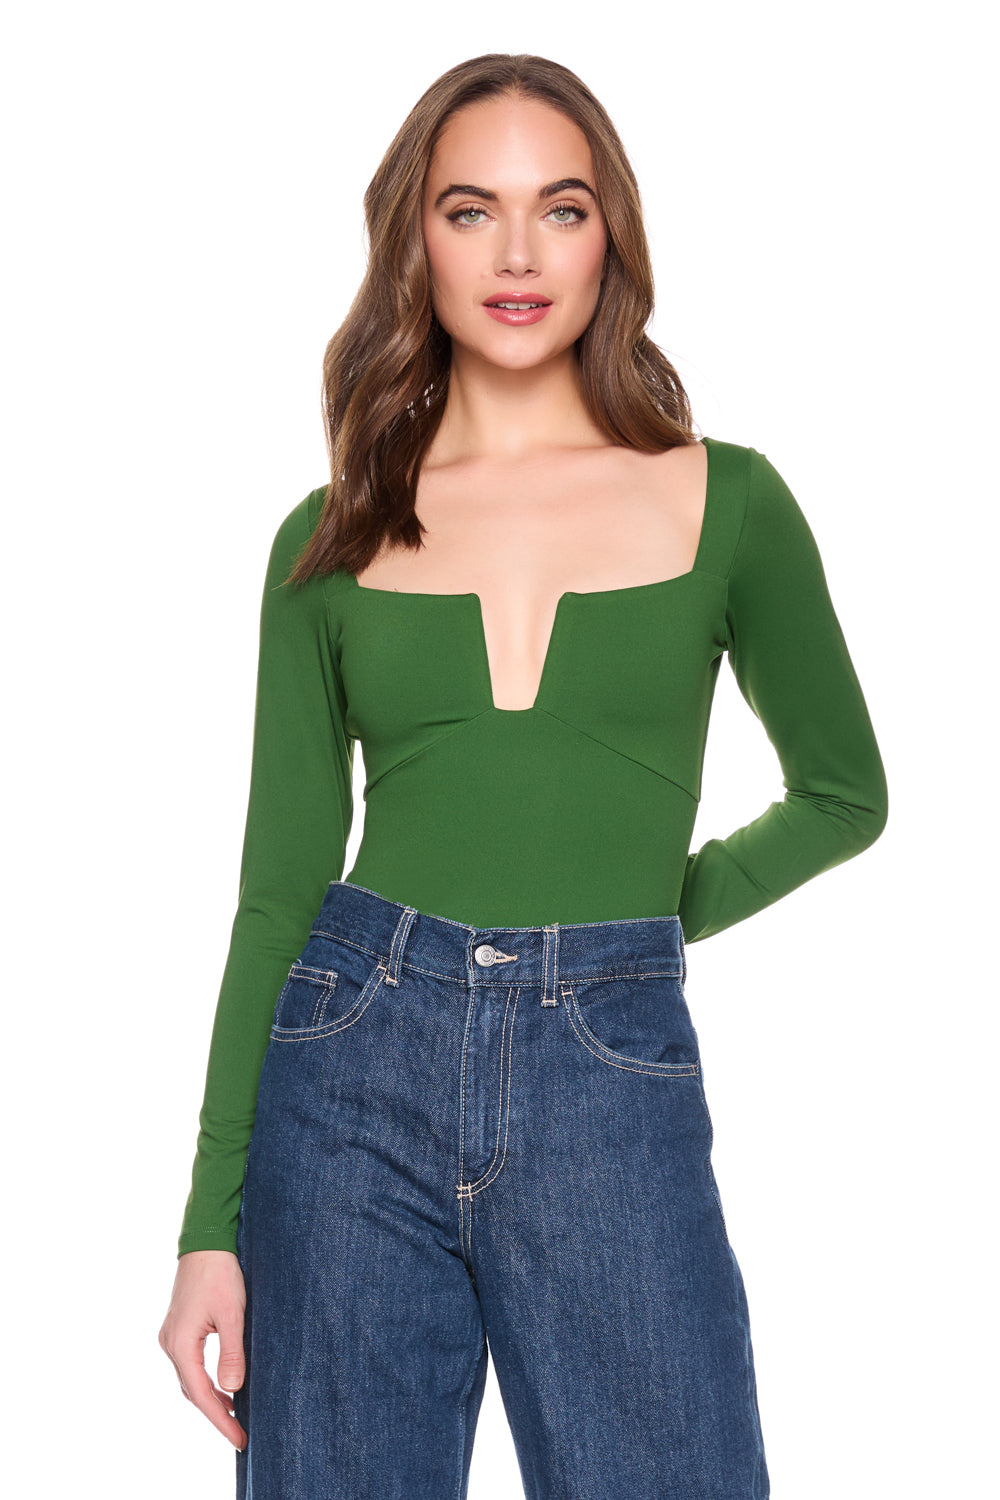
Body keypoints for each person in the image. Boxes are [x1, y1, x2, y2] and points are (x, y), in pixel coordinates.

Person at [158, 53, 888, 1500]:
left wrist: (649, 918)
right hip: (349, 1064)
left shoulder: (728, 501)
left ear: (610, 234)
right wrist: (206, 1225)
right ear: (414, 239)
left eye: (559, 208)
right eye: (469, 210)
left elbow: (844, 795)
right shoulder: (330, 535)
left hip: (609, 1072)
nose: (515, 254)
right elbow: (279, 891)